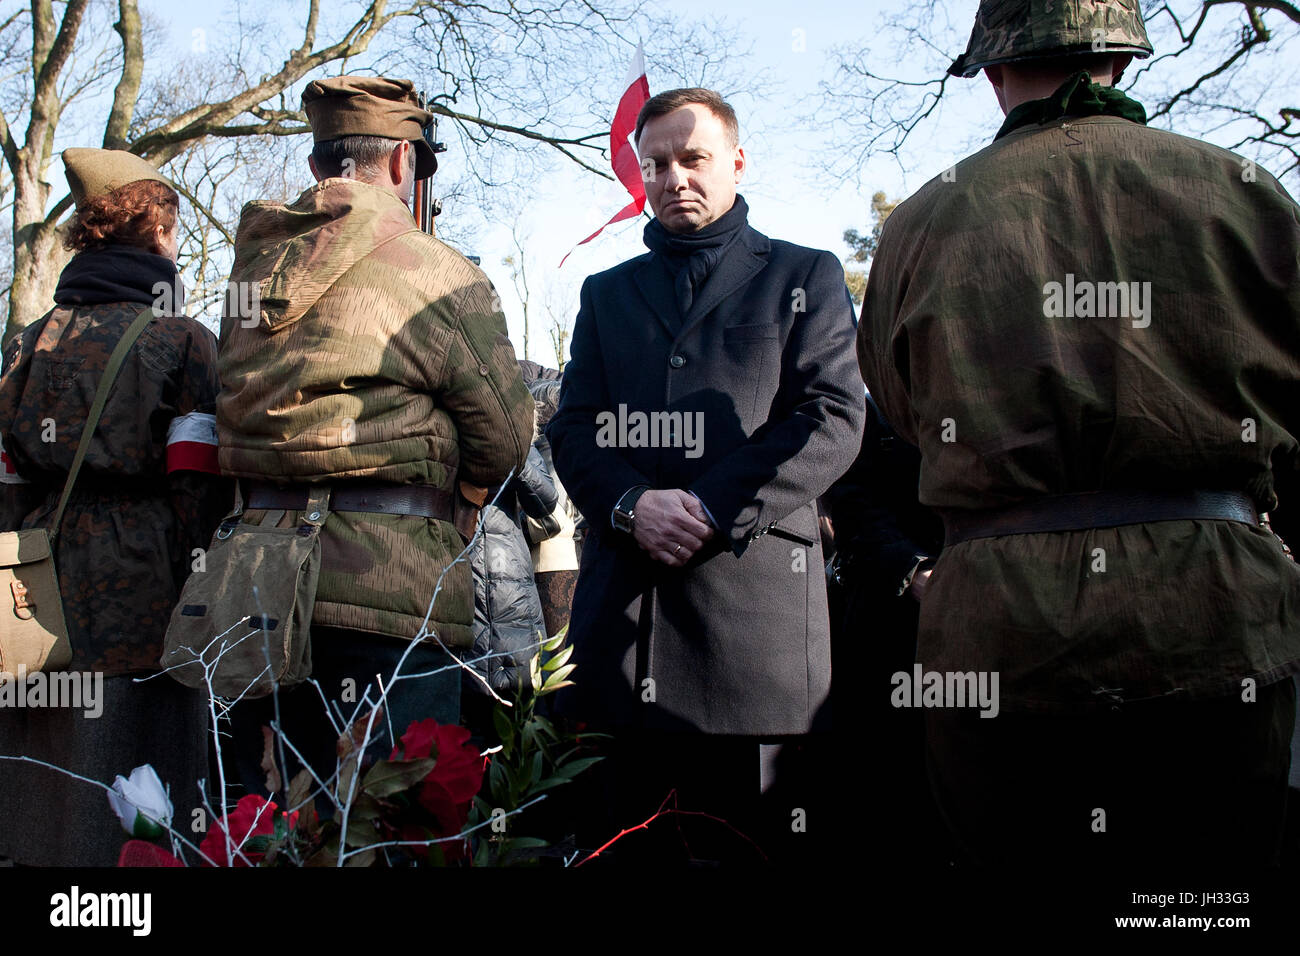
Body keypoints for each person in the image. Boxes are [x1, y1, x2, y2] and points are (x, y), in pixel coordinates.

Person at [858, 0, 1300, 870]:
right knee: (1207, 903)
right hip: (1219, 618)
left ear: (991, 69)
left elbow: (903, 413)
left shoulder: (920, 222)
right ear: (1123, 62)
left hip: (1000, 636)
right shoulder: (1245, 192)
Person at [548, 88, 865, 863]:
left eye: (693, 159)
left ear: (736, 161)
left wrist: (705, 506)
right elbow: (573, 426)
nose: (672, 177)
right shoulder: (606, 292)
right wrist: (629, 506)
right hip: (625, 643)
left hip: (751, 645)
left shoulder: (806, 274)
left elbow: (832, 418)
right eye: (655, 164)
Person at [217, 76, 534, 797]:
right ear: (402, 162)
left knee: (278, 825)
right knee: (397, 824)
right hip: (389, 594)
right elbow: (509, 433)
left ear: (314, 165)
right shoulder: (437, 272)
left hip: (254, 589)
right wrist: (470, 490)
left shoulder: (250, 268)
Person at [0, 148, 229, 865]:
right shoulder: (181, 339)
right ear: (154, 229)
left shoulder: (26, 345)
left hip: (38, 594)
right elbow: (198, 486)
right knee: (142, 773)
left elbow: (6, 485)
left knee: (47, 778)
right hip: (148, 591)